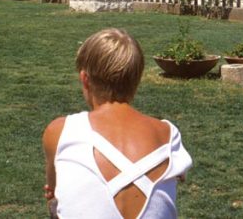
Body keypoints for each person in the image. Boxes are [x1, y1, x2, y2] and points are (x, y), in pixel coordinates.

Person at [42, 28, 192, 218]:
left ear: (85, 79)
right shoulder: (168, 135)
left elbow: (52, 191)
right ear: (136, 80)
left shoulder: (60, 131)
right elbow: (180, 175)